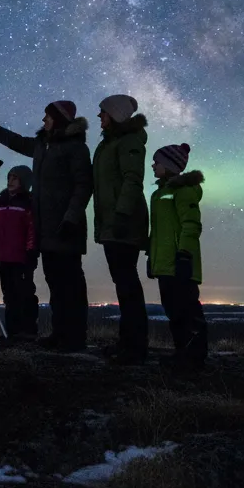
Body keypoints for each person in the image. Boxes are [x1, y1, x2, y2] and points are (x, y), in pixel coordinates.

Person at [0, 101, 93, 351]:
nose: (43, 121)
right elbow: (18, 142)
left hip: (65, 227)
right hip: (46, 229)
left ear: (60, 119)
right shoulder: (42, 145)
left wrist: (71, 217)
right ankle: (60, 334)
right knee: (54, 284)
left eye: (47, 117)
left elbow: (84, 186)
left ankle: (74, 337)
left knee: (70, 284)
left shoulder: (75, 148)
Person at [92, 94, 150, 364]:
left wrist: (119, 215)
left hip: (122, 224)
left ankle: (134, 346)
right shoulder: (110, 143)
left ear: (115, 115)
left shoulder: (128, 141)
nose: (99, 117)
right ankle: (129, 343)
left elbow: (132, 179)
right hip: (113, 223)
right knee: (123, 283)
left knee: (127, 284)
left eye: (103, 112)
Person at [147, 143, 208, 371]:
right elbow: (159, 232)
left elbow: (190, 225)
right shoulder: (159, 194)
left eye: (157, 162)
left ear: (170, 165)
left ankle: (195, 357)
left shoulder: (183, 191)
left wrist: (184, 255)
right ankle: (182, 353)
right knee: (173, 312)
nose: (153, 165)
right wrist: (151, 258)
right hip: (165, 265)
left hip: (180, 263)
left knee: (187, 311)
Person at [0, 165, 39, 339]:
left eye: (15, 178)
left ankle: (28, 331)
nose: (10, 181)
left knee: (24, 293)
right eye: (9, 177)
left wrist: (31, 251)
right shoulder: (2, 200)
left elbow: (32, 229)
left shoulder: (28, 202)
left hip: (21, 257)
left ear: (24, 182)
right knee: (9, 295)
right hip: (3, 256)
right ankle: (12, 332)